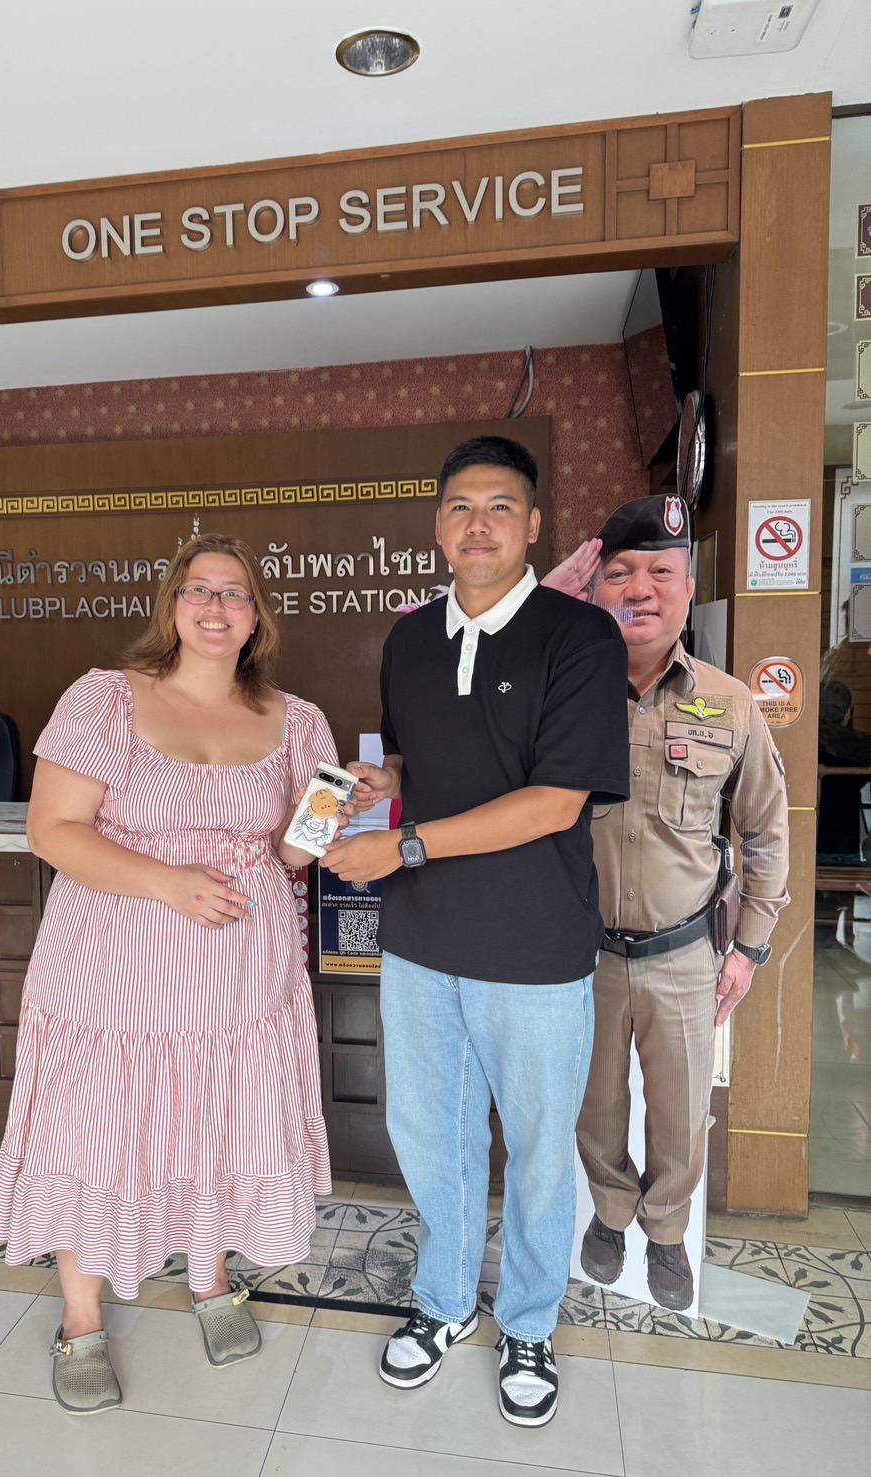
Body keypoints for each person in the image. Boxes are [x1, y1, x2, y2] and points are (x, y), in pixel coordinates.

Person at [0, 532, 340, 1413]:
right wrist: (168, 883)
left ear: (257, 616)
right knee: (97, 1128)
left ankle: (210, 1276)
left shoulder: (299, 720)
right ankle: (81, 1317)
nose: (216, 606)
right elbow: (52, 830)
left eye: (235, 592)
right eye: (198, 590)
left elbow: (294, 852)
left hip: (240, 980)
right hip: (114, 972)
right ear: (172, 606)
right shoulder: (105, 698)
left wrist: (339, 799)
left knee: (217, 1122)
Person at [322, 435, 630, 1429]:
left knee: (538, 1149)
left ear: (533, 524)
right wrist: (384, 782)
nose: (479, 523)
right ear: (438, 526)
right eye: (460, 506)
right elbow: (425, 762)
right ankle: (446, 1298)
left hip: (534, 948)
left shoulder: (578, 636)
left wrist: (404, 846)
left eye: (500, 506)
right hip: (421, 944)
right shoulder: (409, 638)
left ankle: (529, 1321)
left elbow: (553, 800)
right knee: (433, 1137)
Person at [547, 495, 790, 1312]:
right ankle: (611, 1212)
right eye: (620, 573)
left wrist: (748, 947)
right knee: (595, 1104)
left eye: (661, 572)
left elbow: (765, 830)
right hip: (582, 953)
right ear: (595, 589)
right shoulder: (560, 694)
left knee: (681, 1113)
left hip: (685, 953)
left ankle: (665, 1229)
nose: (640, 589)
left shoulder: (731, 702)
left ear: (689, 588)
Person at [817, 678, 871, 861]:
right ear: (847, 713)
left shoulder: (804, 744)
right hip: (849, 843)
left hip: (808, 840)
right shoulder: (863, 746)